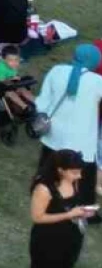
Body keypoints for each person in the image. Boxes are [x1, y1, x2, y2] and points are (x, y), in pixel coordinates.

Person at [35, 42, 102, 209]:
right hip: (81, 135)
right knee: (85, 172)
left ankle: (41, 191)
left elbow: (43, 100)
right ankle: (84, 206)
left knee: (48, 163)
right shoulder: (97, 81)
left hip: (54, 130)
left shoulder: (57, 70)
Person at [31, 149, 94, 268]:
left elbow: (72, 204)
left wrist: (82, 212)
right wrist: (69, 215)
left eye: (80, 172)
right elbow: (37, 217)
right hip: (48, 240)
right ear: (60, 170)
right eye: (75, 172)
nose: (79, 176)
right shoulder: (43, 189)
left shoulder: (73, 181)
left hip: (71, 239)